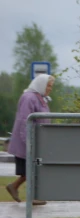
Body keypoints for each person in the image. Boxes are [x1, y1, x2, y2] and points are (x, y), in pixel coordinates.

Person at [5, 74, 55, 205]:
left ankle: (15, 187)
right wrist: (28, 141)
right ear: (41, 85)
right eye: (48, 86)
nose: (50, 89)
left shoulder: (40, 98)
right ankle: (31, 196)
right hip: (27, 141)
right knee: (33, 169)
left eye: (51, 86)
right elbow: (24, 121)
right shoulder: (29, 98)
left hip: (37, 140)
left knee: (32, 169)